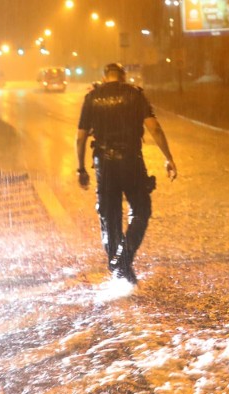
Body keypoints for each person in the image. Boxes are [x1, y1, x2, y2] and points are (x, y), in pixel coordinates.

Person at [76, 63, 177, 284]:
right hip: (132, 160)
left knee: (109, 215)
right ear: (123, 77)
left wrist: (81, 168)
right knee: (141, 210)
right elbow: (155, 128)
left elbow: (81, 137)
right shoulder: (135, 95)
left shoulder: (92, 98)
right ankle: (125, 256)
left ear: (105, 77)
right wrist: (168, 158)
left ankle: (118, 262)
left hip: (104, 164)